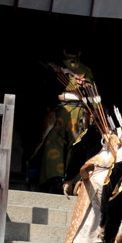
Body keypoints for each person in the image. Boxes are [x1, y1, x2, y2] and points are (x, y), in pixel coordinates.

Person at [63, 125, 122, 243]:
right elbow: (80, 156)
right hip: (92, 186)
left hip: (113, 187)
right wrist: (76, 177)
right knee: (90, 219)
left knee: (110, 220)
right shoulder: (94, 137)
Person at [39, 48, 94, 192]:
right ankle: (72, 180)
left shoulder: (55, 68)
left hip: (60, 111)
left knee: (54, 142)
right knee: (75, 145)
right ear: (79, 53)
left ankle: (55, 178)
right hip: (77, 111)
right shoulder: (85, 70)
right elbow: (93, 95)